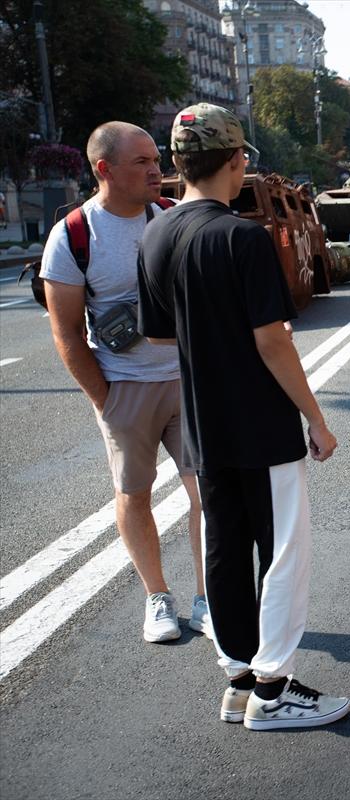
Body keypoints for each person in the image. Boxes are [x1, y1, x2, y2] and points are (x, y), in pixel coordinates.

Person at [137, 103, 349, 731]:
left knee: (226, 548)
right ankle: (275, 689)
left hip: (204, 424)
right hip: (261, 422)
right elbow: (273, 340)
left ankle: (238, 679)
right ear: (237, 160)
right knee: (283, 551)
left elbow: (157, 339)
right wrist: (315, 417)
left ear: (179, 164)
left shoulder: (157, 235)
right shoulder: (242, 236)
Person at [41, 121, 206, 644]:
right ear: (103, 169)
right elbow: (66, 332)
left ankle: (209, 599)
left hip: (187, 382)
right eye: (142, 162)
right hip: (124, 390)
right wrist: (105, 399)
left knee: (208, 493)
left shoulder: (173, 218)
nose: (157, 169)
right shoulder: (73, 235)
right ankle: (158, 598)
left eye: (157, 158)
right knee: (134, 495)